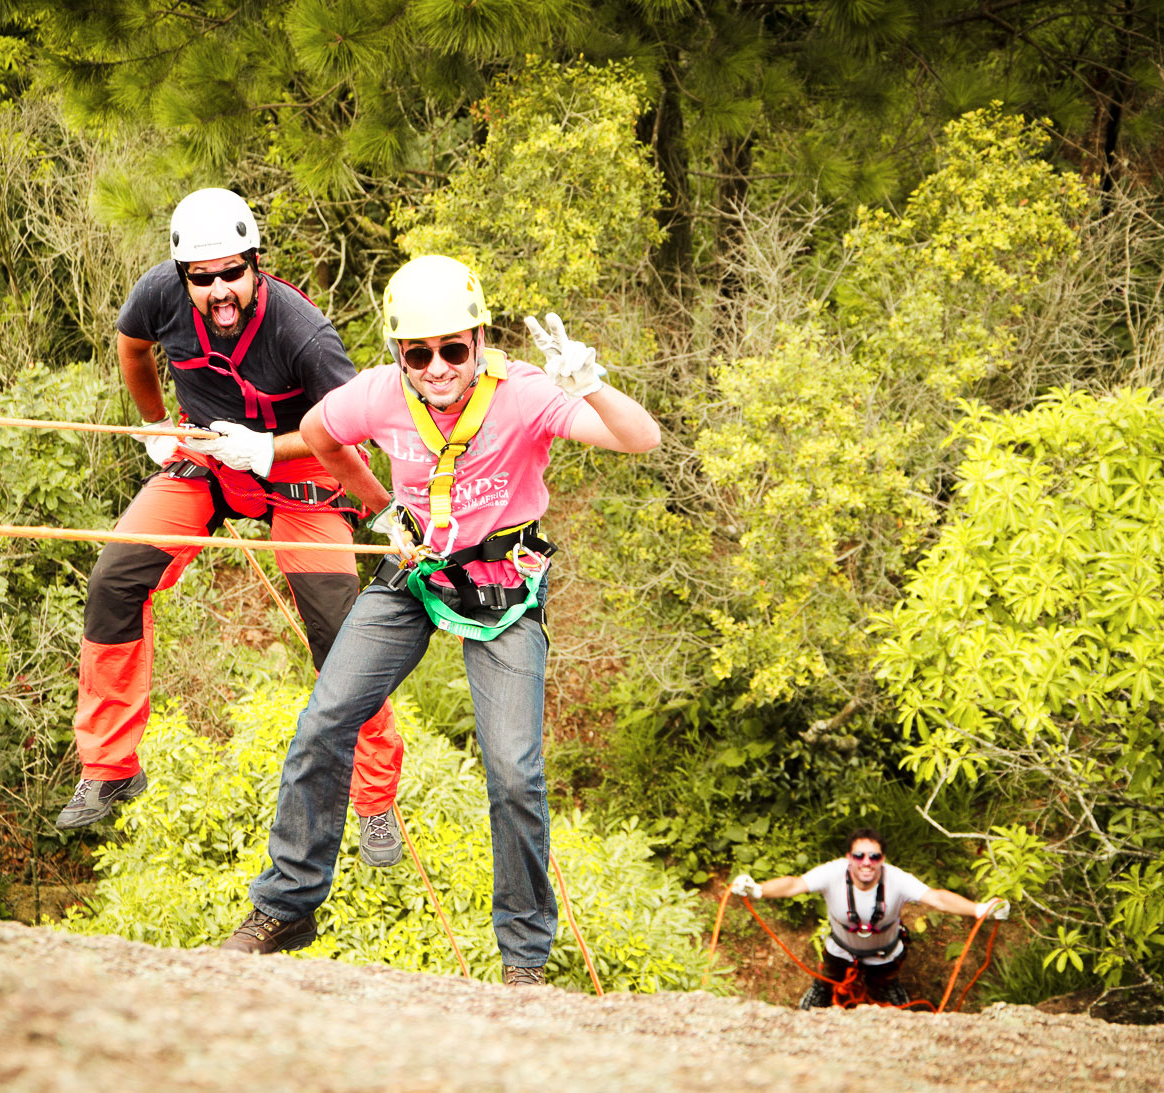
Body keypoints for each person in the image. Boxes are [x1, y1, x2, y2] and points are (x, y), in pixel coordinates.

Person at [217, 255, 660, 985]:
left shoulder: (523, 395)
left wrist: (592, 386)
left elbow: (639, 439)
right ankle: (286, 905)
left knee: (515, 772)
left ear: (479, 339)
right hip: (417, 576)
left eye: (453, 348)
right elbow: (321, 433)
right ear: (398, 354)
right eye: (417, 352)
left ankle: (523, 959)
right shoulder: (382, 393)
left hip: (501, 585)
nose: (437, 366)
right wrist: (380, 506)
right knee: (324, 719)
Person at [55, 188, 407, 871]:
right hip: (207, 460)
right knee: (114, 582)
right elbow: (131, 346)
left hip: (300, 474)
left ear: (255, 266)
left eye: (231, 274)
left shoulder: (300, 332)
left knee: (341, 632)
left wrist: (277, 451)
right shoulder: (160, 293)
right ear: (183, 275)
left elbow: (351, 427)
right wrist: (158, 423)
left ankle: (375, 800)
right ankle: (110, 765)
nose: (218, 290)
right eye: (202, 277)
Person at [729, 827, 1009, 1007]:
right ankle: (823, 989)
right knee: (830, 973)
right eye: (859, 856)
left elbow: (936, 897)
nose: (866, 862)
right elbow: (794, 884)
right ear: (848, 857)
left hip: (884, 952)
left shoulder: (897, 879)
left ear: (883, 859)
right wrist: (759, 890)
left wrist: (977, 909)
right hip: (840, 947)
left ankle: (885, 988)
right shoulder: (832, 873)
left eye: (874, 857)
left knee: (883, 978)